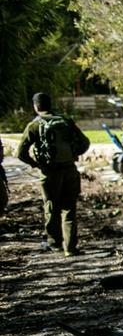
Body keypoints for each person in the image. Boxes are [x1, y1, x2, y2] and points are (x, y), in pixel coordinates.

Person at [16, 92, 90, 256]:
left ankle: (55, 244)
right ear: (51, 104)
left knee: (51, 207)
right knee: (69, 209)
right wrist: (73, 155)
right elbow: (85, 143)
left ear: (36, 107)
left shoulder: (34, 125)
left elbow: (20, 153)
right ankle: (70, 248)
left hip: (49, 173)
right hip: (70, 170)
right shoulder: (65, 121)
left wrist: (36, 164)